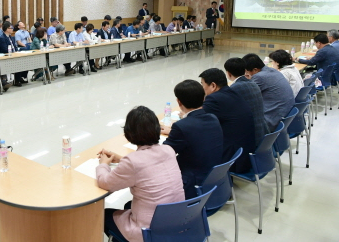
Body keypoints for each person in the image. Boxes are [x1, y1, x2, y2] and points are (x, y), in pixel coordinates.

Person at [97, 106, 184, 242]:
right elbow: (147, 165)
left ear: (129, 134)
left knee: (105, 215)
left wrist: (103, 164)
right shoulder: (168, 150)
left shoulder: (133, 162)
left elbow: (105, 182)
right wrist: (121, 159)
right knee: (128, 205)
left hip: (149, 232)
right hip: (177, 221)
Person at [162, 80, 223, 199]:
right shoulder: (213, 118)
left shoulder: (182, 126)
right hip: (214, 180)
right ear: (204, 98)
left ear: (179, 102)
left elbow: (164, 153)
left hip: (193, 185)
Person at [199, 68, 256, 173]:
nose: (202, 88)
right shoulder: (231, 92)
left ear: (213, 85)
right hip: (246, 152)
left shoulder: (214, 99)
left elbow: (197, 122)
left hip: (232, 159)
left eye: (202, 84)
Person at [224, 58, 269, 148]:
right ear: (245, 71)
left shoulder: (234, 89)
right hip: (263, 135)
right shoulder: (253, 84)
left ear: (228, 73)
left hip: (250, 140)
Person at [243, 53, 295, 130]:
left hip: (272, 121)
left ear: (255, 70)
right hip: (285, 117)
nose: (246, 74)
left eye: (246, 71)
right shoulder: (273, 70)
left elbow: (243, 96)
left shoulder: (259, 77)